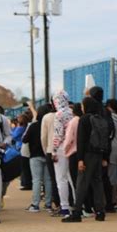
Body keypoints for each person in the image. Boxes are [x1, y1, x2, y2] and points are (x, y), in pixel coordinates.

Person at [62, 97, 110, 223]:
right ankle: (100, 212)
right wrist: (105, 157)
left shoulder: (84, 119)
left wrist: (80, 159)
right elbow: (106, 139)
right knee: (97, 183)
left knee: (82, 183)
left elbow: (81, 140)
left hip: (87, 155)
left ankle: (77, 212)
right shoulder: (100, 118)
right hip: (99, 154)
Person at [22, 104, 53, 213]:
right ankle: (48, 204)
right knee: (48, 180)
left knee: (36, 180)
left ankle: (35, 204)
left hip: (35, 156)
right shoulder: (50, 125)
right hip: (48, 154)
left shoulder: (33, 126)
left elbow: (24, 140)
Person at [51, 90, 75, 218]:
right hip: (73, 147)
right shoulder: (73, 112)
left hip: (61, 148)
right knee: (72, 178)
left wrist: (54, 150)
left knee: (61, 178)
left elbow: (58, 134)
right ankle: (77, 204)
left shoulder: (58, 115)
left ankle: (65, 207)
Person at [106, 98, 117, 212]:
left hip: (112, 150)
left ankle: (113, 201)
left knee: (111, 177)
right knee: (112, 176)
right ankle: (113, 200)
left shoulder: (112, 118)